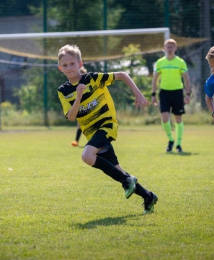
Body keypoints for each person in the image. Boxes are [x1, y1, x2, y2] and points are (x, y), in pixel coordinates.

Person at [57, 44, 158, 214]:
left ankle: (128, 181)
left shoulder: (92, 79)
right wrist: (78, 97)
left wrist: (138, 94)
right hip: (91, 133)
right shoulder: (63, 91)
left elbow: (122, 75)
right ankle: (148, 196)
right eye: (65, 65)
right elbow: (72, 116)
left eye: (72, 63)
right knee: (119, 172)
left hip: (106, 125)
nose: (69, 68)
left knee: (87, 156)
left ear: (80, 64)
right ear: (60, 68)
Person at [151, 38, 191, 152]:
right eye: (167, 47)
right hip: (164, 93)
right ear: (164, 48)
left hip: (177, 92)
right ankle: (170, 140)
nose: (169, 49)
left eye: (171, 47)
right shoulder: (160, 62)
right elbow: (155, 79)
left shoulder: (180, 62)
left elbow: (186, 79)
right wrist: (153, 94)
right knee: (164, 118)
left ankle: (178, 144)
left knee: (178, 119)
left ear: (175, 48)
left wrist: (188, 94)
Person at [71, 66, 87, 147]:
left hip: (89, 107)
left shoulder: (87, 84)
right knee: (79, 125)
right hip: (80, 107)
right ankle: (76, 141)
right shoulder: (74, 85)